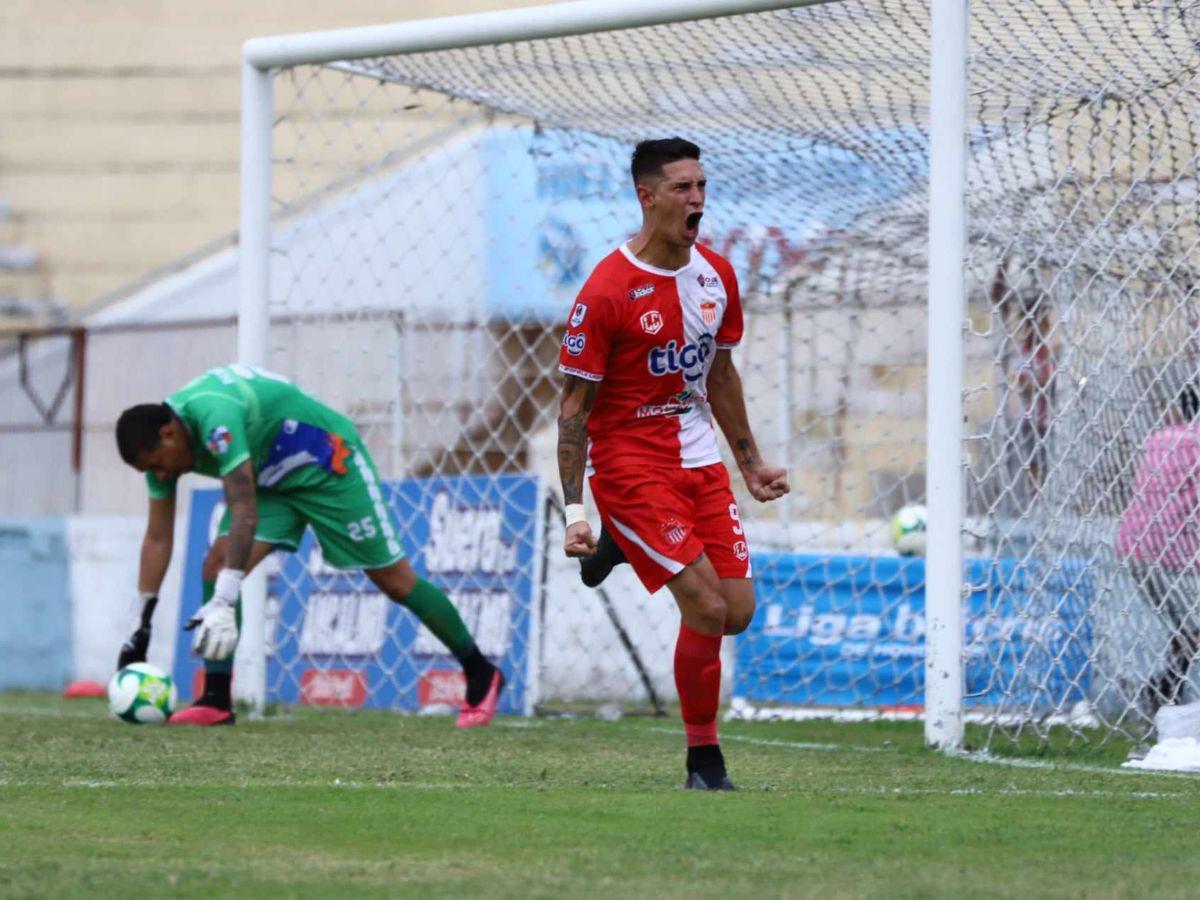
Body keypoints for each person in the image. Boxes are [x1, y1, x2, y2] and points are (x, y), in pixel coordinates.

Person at [556, 138, 789, 790]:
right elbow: (574, 408)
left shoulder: (716, 276)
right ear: (648, 196)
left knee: (738, 611)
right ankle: (703, 763)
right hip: (629, 463)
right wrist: (577, 510)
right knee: (707, 607)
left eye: (702, 187)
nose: (697, 201)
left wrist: (750, 464)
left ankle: (626, 549)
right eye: (684, 188)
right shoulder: (607, 292)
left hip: (698, 457)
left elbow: (719, 374)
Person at [114, 363, 504, 727]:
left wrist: (223, 600)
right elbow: (157, 537)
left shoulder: (216, 417)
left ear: (169, 433)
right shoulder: (161, 452)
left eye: (157, 465)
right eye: (149, 471)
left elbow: (242, 506)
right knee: (215, 566)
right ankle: (216, 700)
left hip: (326, 463)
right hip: (270, 480)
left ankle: (481, 673)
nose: (159, 475)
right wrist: (140, 621)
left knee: (395, 581)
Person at [1116, 381, 1200, 716]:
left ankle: (1166, 689)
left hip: (1134, 546)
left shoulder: (1159, 438)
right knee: (1192, 626)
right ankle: (1162, 686)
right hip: (1174, 552)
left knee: (1188, 626)